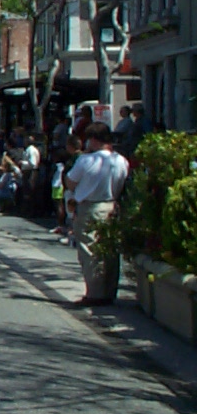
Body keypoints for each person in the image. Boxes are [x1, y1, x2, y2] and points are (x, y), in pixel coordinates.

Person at [65, 124, 131, 306]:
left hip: (90, 207)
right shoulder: (121, 161)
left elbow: (70, 182)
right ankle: (109, 290)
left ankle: (95, 293)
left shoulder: (87, 161)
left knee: (90, 250)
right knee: (109, 250)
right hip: (111, 204)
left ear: (93, 139)